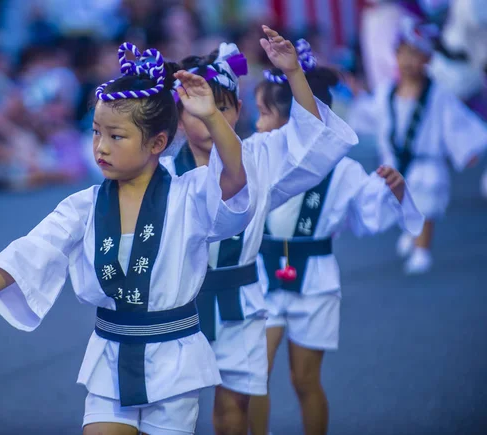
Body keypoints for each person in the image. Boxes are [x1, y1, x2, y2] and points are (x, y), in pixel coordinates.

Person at [0, 42, 257, 435]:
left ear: (157, 144)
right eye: (97, 132)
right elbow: (34, 249)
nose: (100, 147)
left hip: (174, 361)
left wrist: (212, 117)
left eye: (116, 136)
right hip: (110, 359)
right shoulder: (84, 205)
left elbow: (234, 180)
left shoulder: (191, 195)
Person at [161, 27, 359, 435]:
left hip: (243, 298)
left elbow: (312, 138)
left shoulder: (260, 155)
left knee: (235, 404)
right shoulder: (161, 173)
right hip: (181, 302)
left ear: (235, 112)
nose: (210, 114)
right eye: (199, 106)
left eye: (223, 106)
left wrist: (294, 74)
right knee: (177, 409)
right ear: (180, 115)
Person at [247, 65, 425, 435]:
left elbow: (367, 217)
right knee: (252, 375)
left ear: (298, 119)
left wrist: (391, 189)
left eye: (265, 114)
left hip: (315, 279)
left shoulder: (341, 170)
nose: (258, 125)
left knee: (304, 380)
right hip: (263, 274)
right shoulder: (256, 155)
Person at [348, 16, 487, 274]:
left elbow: (454, 122)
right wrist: (355, 98)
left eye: (417, 55)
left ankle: (422, 250)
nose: (410, 61)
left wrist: (465, 148)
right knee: (396, 203)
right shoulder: (385, 93)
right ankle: (411, 235)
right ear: (396, 55)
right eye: (404, 54)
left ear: (428, 59)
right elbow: (367, 114)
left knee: (425, 204)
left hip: (426, 163)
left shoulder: (439, 96)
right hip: (394, 162)